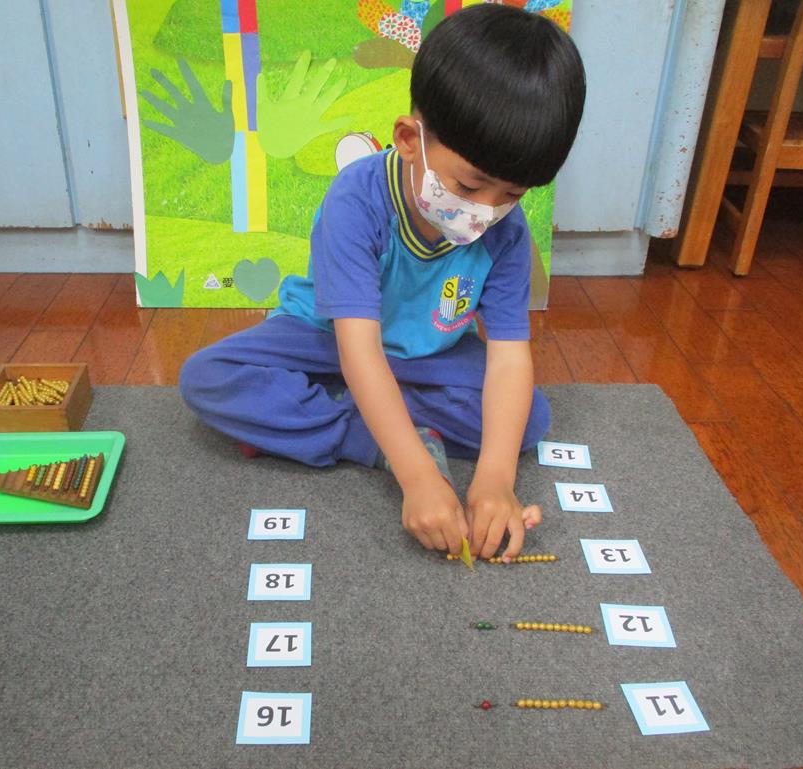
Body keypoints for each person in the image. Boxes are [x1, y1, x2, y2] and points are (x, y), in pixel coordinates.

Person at [180, 4, 586, 562]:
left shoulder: (507, 234)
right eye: (471, 186)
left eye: (512, 194)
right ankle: (373, 435)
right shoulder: (356, 200)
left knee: (530, 418)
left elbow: (509, 358)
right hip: (328, 339)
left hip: (427, 355)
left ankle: (354, 410)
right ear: (409, 139)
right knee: (208, 377)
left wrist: (495, 481)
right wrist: (416, 474)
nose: (486, 211)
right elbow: (359, 350)